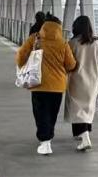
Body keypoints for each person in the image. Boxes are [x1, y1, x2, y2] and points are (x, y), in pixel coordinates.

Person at [16, 13, 76, 155]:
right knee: (52, 114)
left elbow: (20, 58)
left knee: (40, 113)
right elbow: (71, 65)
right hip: (58, 86)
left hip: (38, 84)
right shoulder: (63, 43)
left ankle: (45, 142)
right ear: (59, 27)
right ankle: (47, 137)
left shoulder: (35, 38)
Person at [64, 15, 98, 151]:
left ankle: (85, 138)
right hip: (93, 81)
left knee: (77, 109)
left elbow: (67, 63)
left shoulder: (72, 43)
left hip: (76, 81)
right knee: (87, 108)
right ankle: (81, 134)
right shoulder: (97, 44)